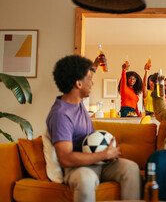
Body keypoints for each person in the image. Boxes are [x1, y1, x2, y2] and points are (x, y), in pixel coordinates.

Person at [46, 55, 141, 202]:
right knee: (85, 179)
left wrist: (95, 64)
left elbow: (88, 73)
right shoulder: (61, 114)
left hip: (98, 162)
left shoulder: (76, 101)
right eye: (89, 79)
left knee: (131, 168)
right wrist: (105, 155)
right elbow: (65, 158)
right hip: (78, 167)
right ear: (78, 84)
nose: (92, 83)